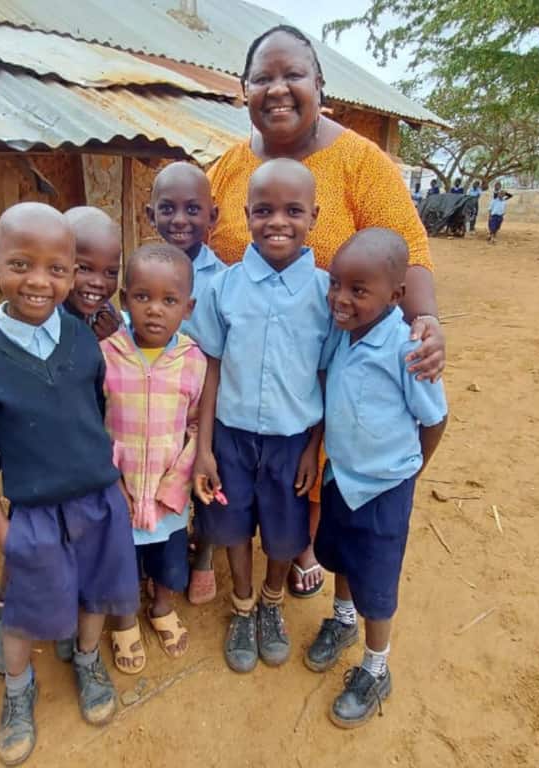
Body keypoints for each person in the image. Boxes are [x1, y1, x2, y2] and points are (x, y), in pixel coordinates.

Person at [205, 24, 445, 600]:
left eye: (293, 75)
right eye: (263, 78)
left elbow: (406, 252)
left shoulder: (362, 163)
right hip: (244, 359)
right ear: (244, 90)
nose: (278, 89)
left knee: (317, 447)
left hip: (328, 347)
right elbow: (201, 255)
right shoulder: (228, 168)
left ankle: (308, 546)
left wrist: (427, 322)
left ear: (320, 84)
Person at [0, 203, 138, 764]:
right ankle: (17, 690)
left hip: (99, 497)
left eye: (58, 269)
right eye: (21, 265)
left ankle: (86, 659)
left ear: (73, 271)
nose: (39, 281)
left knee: (97, 592)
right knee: (25, 609)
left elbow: (96, 413)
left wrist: (118, 484)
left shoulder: (84, 342)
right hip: (32, 512)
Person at [305, 228, 446, 728]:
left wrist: (411, 471)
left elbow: (435, 419)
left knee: (378, 581)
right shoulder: (341, 335)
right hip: (342, 477)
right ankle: (342, 621)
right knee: (341, 554)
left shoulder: (407, 350)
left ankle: (376, 666)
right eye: (336, 285)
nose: (341, 298)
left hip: (386, 487)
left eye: (358, 290)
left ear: (397, 296)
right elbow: (328, 395)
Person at [192, 158, 326, 673]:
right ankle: (243, 605)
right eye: (265, 209)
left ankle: (273, 602)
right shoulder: (224, 288)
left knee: (284, 531)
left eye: (293, 211)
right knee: (230, 527)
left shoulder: (323, 292)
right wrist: (204, 449)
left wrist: (314, 447)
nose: (278, 221)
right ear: (246, 214)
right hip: (229, 437)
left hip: (292, 443)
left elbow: (325, 376)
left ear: (313, 216)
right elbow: (211, 370)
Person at [0, 205, 121, 673]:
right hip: (31, 467)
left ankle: (73, 625)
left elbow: (95, 399)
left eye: (108, 271)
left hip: (79, 465)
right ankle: (3, 606)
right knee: (28, 542)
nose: (94, 282)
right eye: (83, 267)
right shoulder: (25, 320)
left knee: (76, 545)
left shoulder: (98, 324)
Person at [102, 243, 206, 674]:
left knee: (168, 561)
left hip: (168, 495)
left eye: (169, 300)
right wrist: (109, 481)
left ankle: (160, 607)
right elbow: (90, 422)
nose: (154, 311)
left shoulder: (193, 361)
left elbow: (198, 426)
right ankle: (123, 620)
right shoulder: (106, 354)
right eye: (142, 297)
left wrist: (176, 484)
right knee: (120, 564)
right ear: (124, 298)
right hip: (118, 491)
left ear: (188, 307)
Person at [145, 161, 227, 605]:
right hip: (155, 407)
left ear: (212, 217)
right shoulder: (144, 270)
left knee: (208, 479)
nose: (180, 220)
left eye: (193, 209)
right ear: (149, 214)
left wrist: (207, 439)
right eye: (168, 208)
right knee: (157, 481)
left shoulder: (223, 280)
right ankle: (155, 557)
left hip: (207, 406)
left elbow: (216, 359)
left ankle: (205, 558)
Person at [62, 207, 123, 339]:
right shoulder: (48, 319)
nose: (98, 283)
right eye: (84, 268)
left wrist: (114, 340)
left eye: (111, 272)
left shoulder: (106, 313)